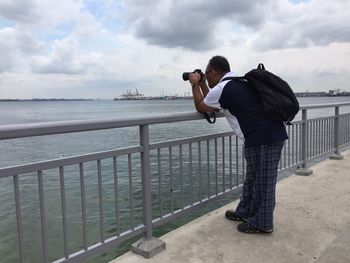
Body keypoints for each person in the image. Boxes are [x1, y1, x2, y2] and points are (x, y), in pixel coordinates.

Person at [188, 55, 288, 234]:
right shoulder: (238, 81)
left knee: (263, 182)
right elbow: (211, 101)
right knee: (253, 178)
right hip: (262, 135)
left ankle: (262, 223)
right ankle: (245, 211)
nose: (207, 77)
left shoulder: (224, 88)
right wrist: (203, 83)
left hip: (265, 136)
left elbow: (201, 106)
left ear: (215, 72)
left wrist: (195, 84)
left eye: (207, 73)